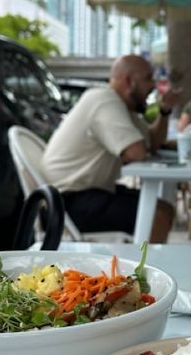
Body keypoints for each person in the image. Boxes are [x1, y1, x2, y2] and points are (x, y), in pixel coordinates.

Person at [41, 55, 182, 242]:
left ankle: (141, 266)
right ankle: (143, 270)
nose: (153, 86)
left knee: (163, 209)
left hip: (86, 193)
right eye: (148, 78)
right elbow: (136, 152)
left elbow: (152, 143)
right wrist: (138, 146)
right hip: (65, 204)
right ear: (129, 82)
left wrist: (164, 110)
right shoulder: (104, 100)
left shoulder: (121, 107)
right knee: (157, 215)